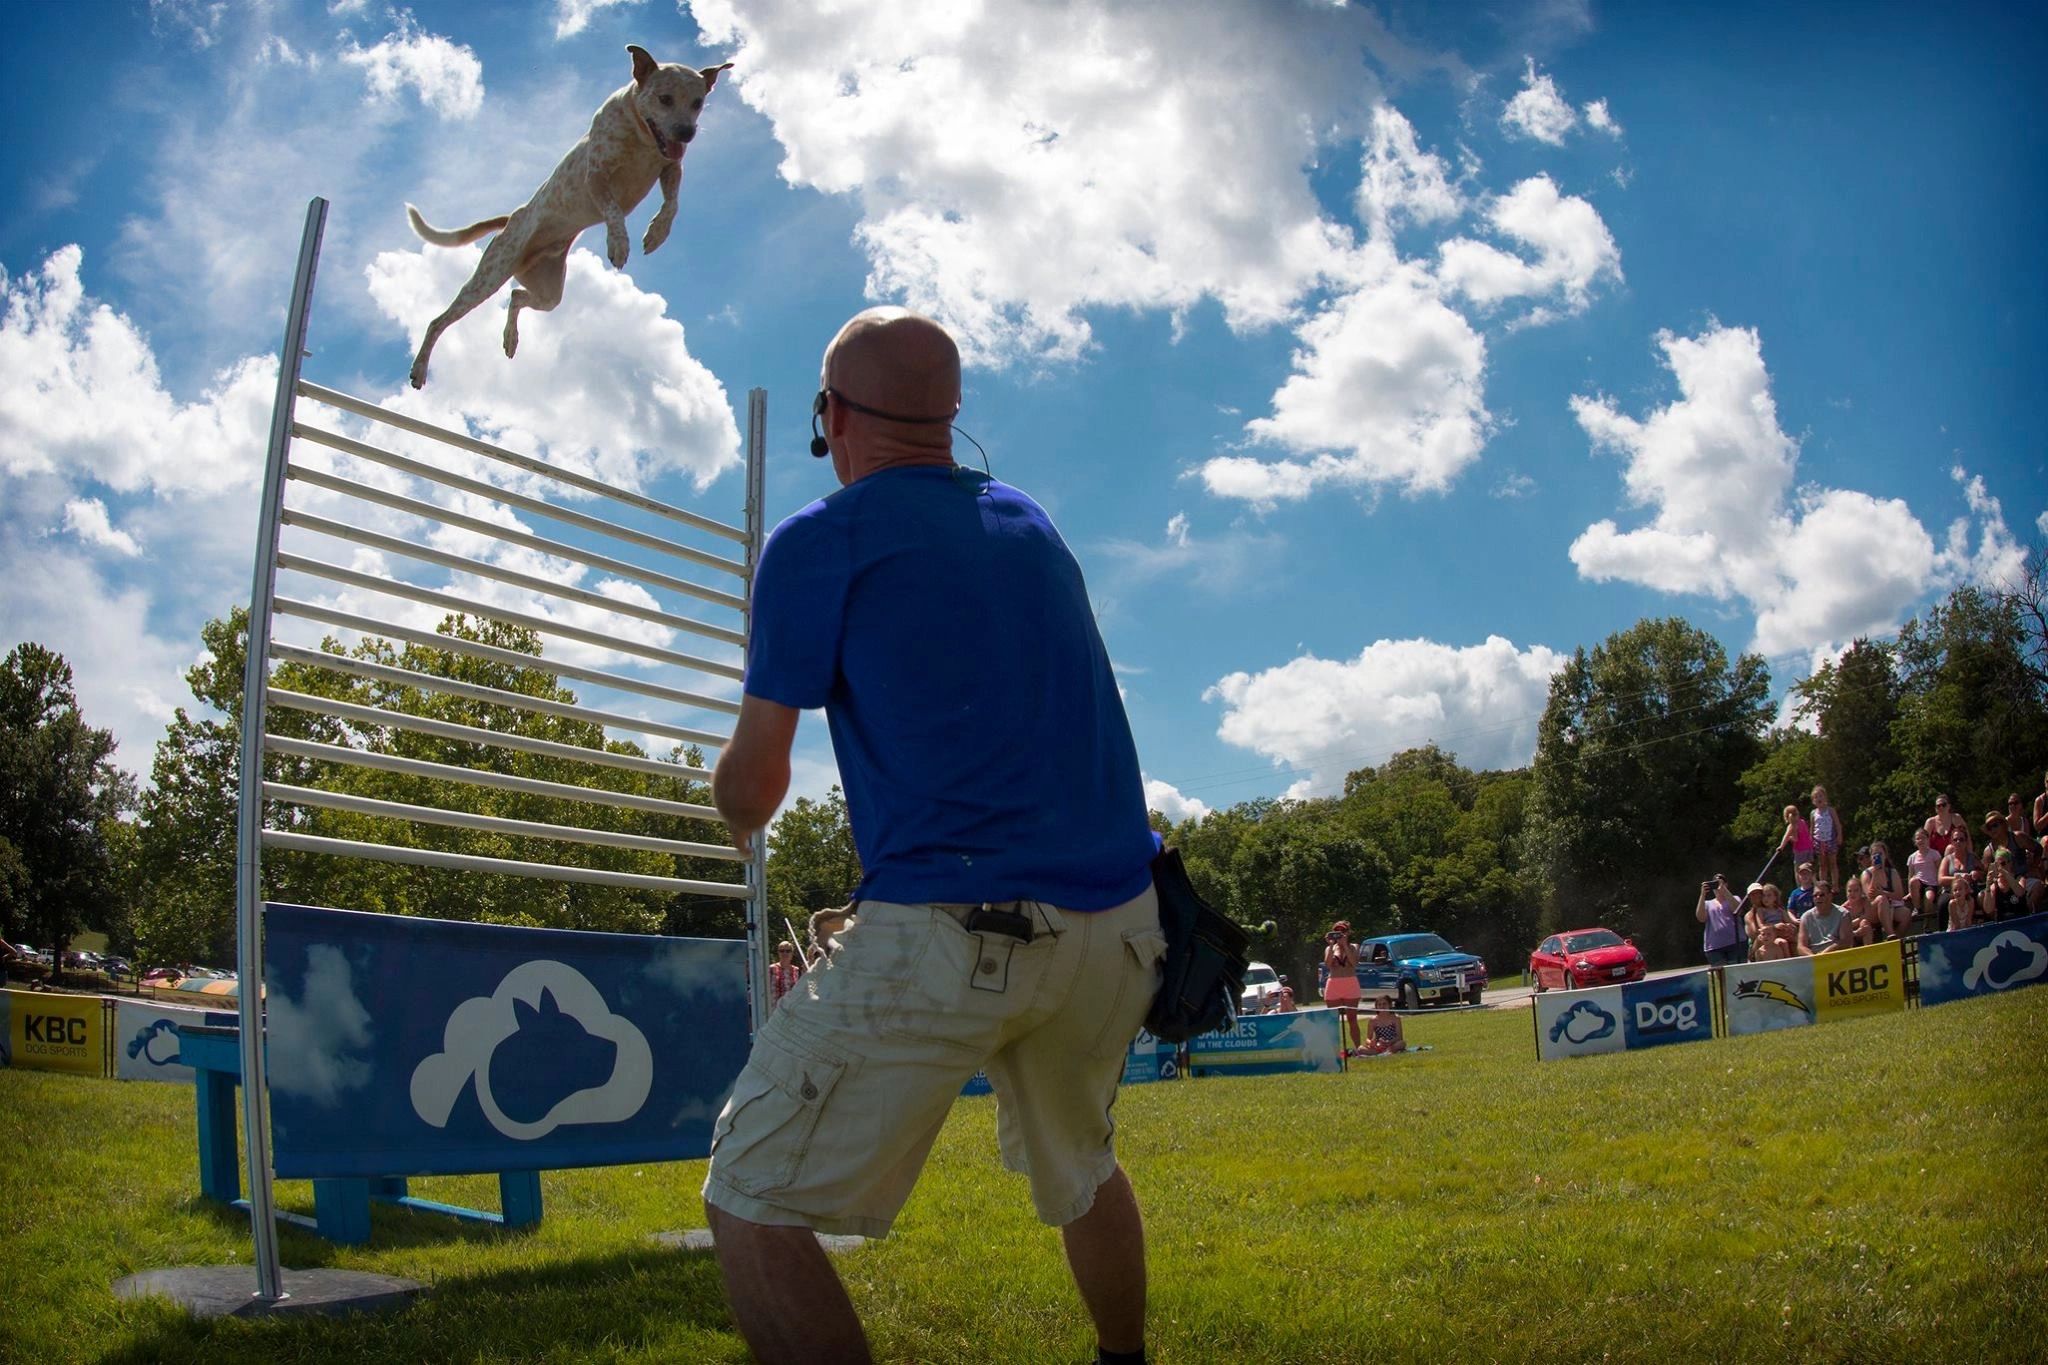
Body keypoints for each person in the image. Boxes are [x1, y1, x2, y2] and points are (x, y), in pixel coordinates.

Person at [704, 307, 1163, 1365]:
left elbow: (757, 781)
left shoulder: (822, 539)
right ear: (951, 419)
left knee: (750, 1190)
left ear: (831, 419)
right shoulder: (1030, 522)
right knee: (1082, 1168)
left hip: (958, 925)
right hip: (1118, 925)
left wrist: (730, 814)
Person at [1323, 921, 1363, 1054]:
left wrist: (1345, 945)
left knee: (1352, 1019)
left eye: (1343, 932)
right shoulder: (1330, 949)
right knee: (1332, 1020)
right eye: (1337, 932)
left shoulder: (1354, 947)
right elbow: (1328, 964)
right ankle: (1333, 1050)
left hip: (1350, 982)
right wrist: (1331, 945)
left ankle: (1358, 1049)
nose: (1340, 935)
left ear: (1348, 933)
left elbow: (1354, 963)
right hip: (1334, 983)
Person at [1861, 841, 1910, 941]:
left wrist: (1883, 893)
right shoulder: (1866, 874)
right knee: (1881, 899)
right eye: (1874, 854)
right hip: (1873, 908)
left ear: (1885, 855)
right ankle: (1890, 934)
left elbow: (1899, 895)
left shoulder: (1892, 872)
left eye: (1880, 854)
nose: (1877, 857)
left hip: (1891, 905)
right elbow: (1870, 896)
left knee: (1906, 913)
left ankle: (1898, 940)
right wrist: (1875, 872)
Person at [1696, 873, 1745, 966]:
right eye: (1715, 884)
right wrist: (1702, 895)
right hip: (1715, 948)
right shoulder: (1707, 904)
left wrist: (1724, 891)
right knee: (1721, 977)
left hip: (1736, 944)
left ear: (1726, 884)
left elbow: (1738, 910)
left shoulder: (1734, 898)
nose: (1717, 887)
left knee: (1737, 974)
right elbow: (1701, 918)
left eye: (1720, 883)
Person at [1745, 882, 1798, 961]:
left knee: (1796, 940)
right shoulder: (1752, 914)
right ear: (1749, 897)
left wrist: (1789, 927)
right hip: (1764, 939)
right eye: (1753, 894)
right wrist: (1775, 928)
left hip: (1779, 933)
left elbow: (1789, 922)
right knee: (1780, 942)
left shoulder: (1780, 910)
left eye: (1759, 893)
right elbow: (1756, 932)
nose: (1756, 896)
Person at [1797, 880, 1848, 955]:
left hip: (1837, 957)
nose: (1818, 897)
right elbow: (1801, 946)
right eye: (1815, 895)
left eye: (1822, 895)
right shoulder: (1806, 917)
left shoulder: (1843, 914)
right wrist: (1814, 958)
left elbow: (1845, 942)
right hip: (1814, 960)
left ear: (1830, 896)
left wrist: (1825, 953)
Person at [1905, 827, 1941, 930]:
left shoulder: (1934, 854)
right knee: (1913, 881)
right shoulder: (1912, 857)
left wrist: (1940, 886)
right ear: (1915, 841)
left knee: (1929, 898)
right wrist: (1909, 892)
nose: (1920, 840)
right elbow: (1910, 875)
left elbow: (1939, 870)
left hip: (1931, 884)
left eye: (1923, 838)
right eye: (1918, 838)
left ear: (1927, 839)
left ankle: (1927, 923)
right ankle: (1917, 908)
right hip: (1918, 884)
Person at [1809, 786, 1844, 892]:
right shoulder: (1813, 813)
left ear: (1825, 797)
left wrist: (1839, 835)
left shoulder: (1830, 810)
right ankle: (1823, 886)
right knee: (1822, 864)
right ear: (1813, 800)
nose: (1818, 798)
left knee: (1833, 862)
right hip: (1818, 841)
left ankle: (1835, 886)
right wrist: (1810, 840)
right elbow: (1812, 827)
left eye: (1820, 796)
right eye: (1816, 797)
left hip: (1830, 839)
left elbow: (1837, 824)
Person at [1838, 881, 1879, 948]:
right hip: (1852, 935)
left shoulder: (1865, 902)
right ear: (1846, 893)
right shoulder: (1843, 909)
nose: (1852, 893)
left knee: (1864, 923)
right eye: (1849, 891)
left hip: (1867, 932)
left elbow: (1868, 916)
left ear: (1861, 892)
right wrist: (1856, 932)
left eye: (1856, 890)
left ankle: (1868, 950)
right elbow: (1843, 928)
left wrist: (1856, 923)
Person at [766, 940, 802, 1012]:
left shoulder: (796, 970)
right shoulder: (771, 969)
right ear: (778, 953)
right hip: (774, 1012)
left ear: (792, 953)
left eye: (788, 951)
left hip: (791, 1012)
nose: (784, 953)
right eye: (782, 951)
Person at [1779, 803, 1814, 873]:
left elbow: (1793, 838)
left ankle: (1799, 883)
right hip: (1809, 848)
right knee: (1809, 868)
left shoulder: (1792, 826)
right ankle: (1810, 881)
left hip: (1800, 850)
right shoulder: (1802, 822)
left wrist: (1781, 846)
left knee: (1799, 869)